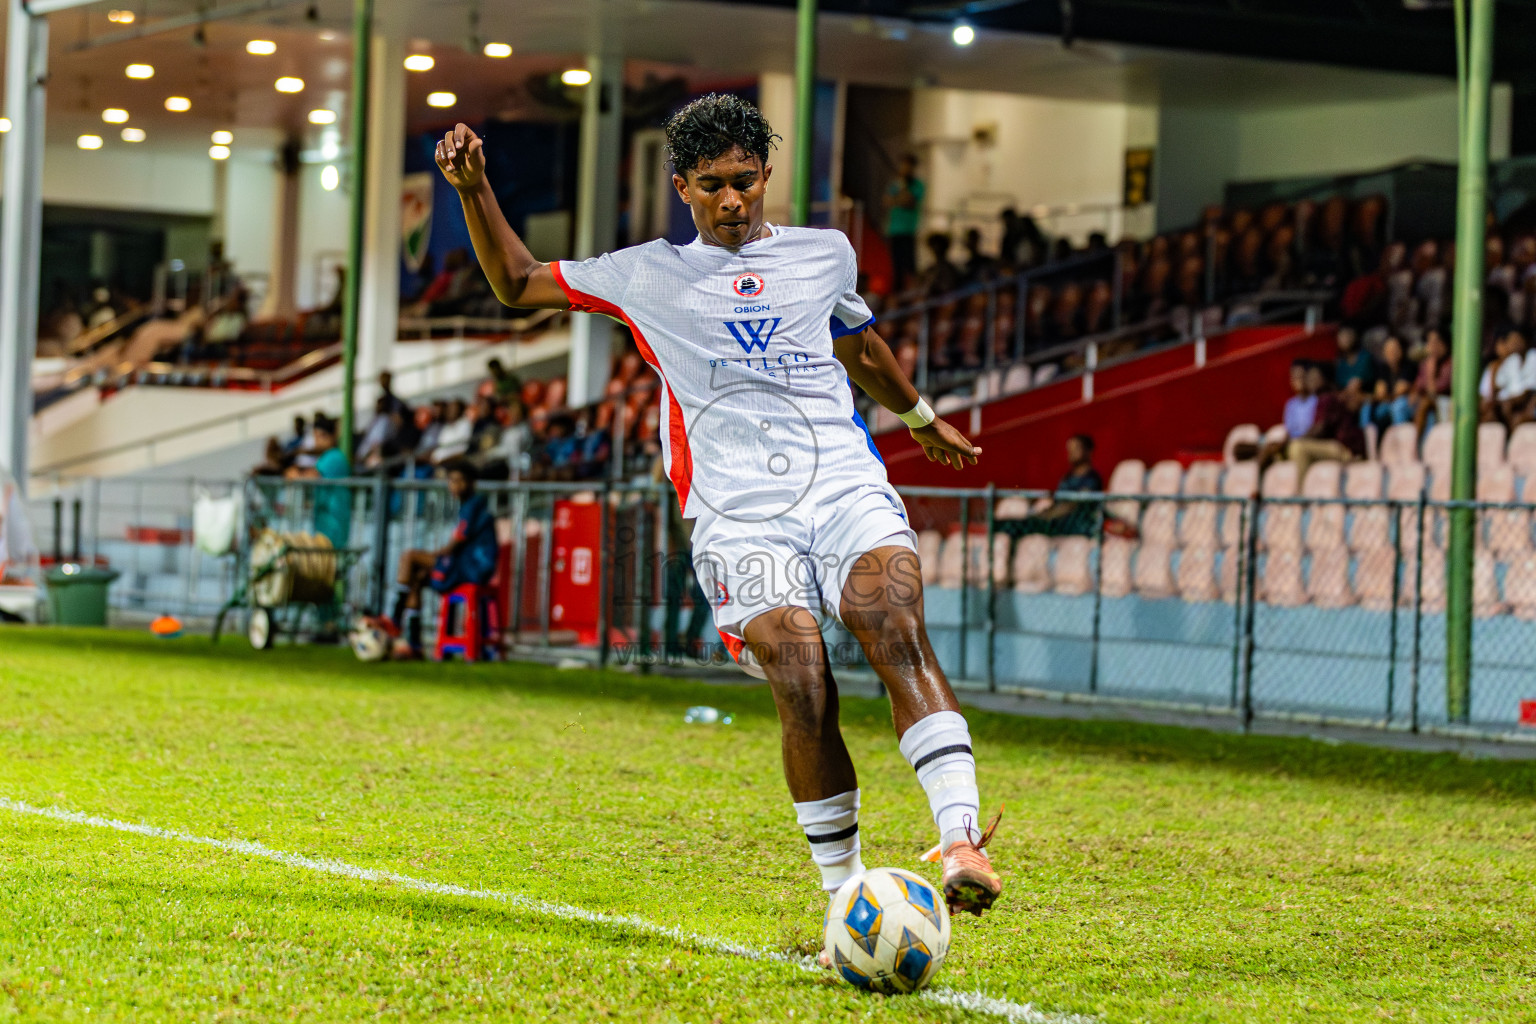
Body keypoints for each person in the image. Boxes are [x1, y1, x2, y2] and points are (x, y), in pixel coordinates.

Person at [434, 94, 1001, 924]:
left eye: (745, 181)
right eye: (713, 186)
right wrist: (473, 190)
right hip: (737, 514)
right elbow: (518, 282)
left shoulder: (825, 253)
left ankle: (959, 839)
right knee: (803, 676)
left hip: (842, 481)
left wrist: (919, 418)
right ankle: (846, 900)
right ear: (682, 188)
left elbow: (862, 345)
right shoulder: (646, 273)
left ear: (765, 175)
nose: (733, 200)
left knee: (893, 620)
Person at [371, 459, 498, 659]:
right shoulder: (469, 506)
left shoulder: (473, 506)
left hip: (473, 567)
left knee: (410, 557)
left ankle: (395, 618)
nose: (454, 486)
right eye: (451, 481)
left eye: (459, 481)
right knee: (418, 578)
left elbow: (456, 542)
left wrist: (433, 555)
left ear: (471, 483)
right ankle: (414, 644)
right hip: (465, 564)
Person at [996, 435, 1114, 538]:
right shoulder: (1066, 478)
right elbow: (1056, 502)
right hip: (1055, 522)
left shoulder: (1092, 479)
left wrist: (1047, 516)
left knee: (1019, 525)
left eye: (1076, 448)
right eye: (1069, 449)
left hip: (1074, 526)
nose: (1071, 453)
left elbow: (1073, 505)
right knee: (1007, 524)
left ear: (1088, 451)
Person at [284, 415, 352, 550]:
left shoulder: (334, 456)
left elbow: (309, 477)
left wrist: (293, 471)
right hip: (326, 527)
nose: (316, 441)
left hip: (334, 528)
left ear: (332, 436)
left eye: (321, 436)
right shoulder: (326, 457)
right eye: (315, 436)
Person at [1288, 365, 1365, 482]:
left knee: (1298, 447)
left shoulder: (1327, 398)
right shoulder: (1321, 399)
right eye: (1309, 379)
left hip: (1345, 449)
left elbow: (1321, 429)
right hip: (1334, 445)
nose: (1309, 382)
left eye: (1314, 378)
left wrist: (1299, 439)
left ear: (1323, 379)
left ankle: (1301, 496)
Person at [885, 154, 924, 293]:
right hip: (894, 231)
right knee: (897, 268)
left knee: (910, 266)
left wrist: (899, 196)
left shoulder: (917, 185)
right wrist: (898, 199)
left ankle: (912, 294)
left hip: (908, 231)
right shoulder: (896, 184)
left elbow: (908, 201)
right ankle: (897, 293)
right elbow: (887, 201)